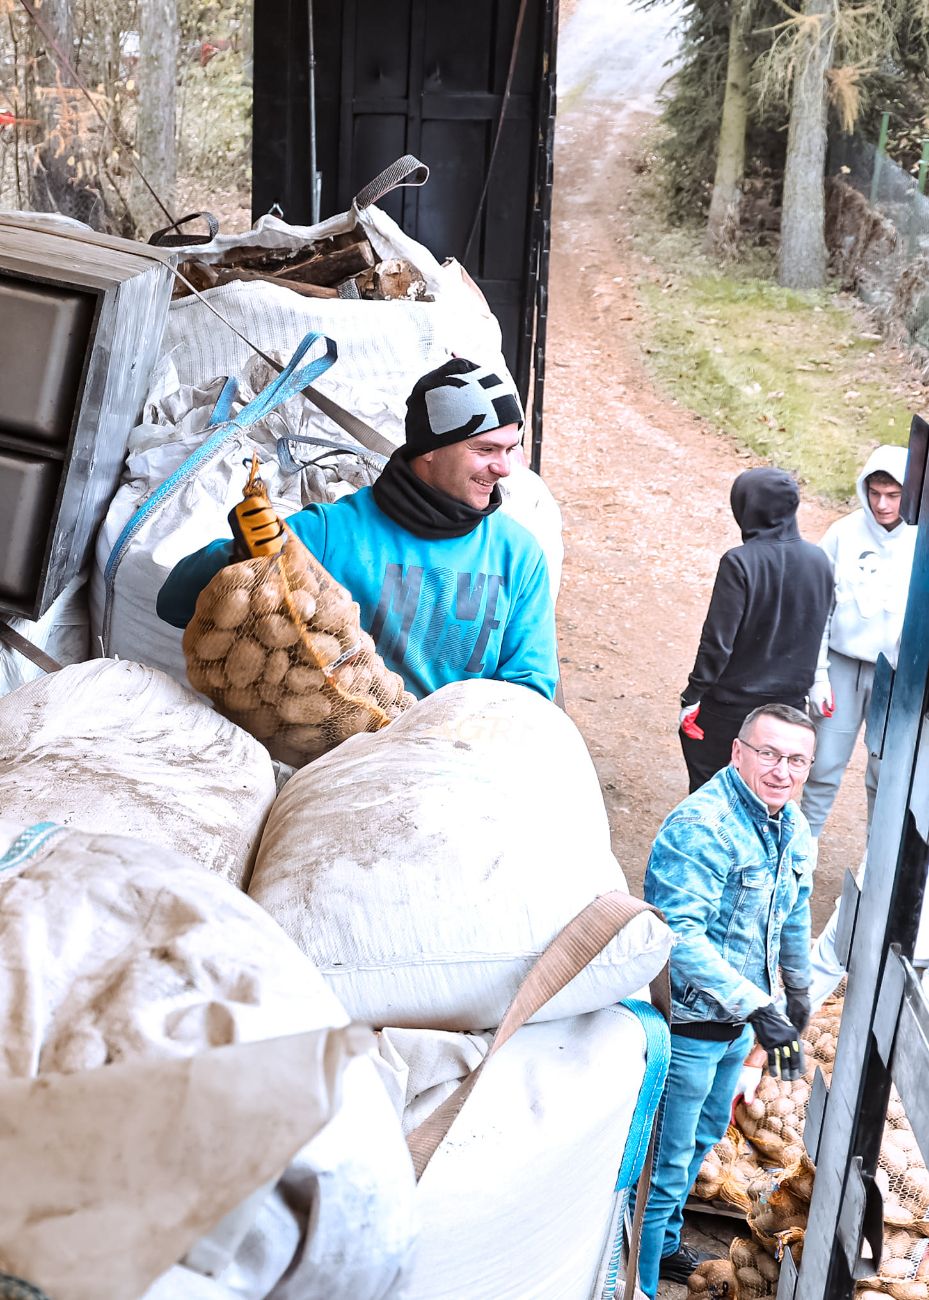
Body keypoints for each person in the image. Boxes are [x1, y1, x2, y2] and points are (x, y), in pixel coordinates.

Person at [157, 356, 559, 701]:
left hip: (453, 765)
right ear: (430, 450)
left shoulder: (518, 555)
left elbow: (528, 689)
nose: (503, 468)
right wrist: (241, 556)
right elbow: (173, 603)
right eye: (485, 449)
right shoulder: (331, 533)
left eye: (509, 449)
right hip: (335, 757)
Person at [640, 703, 816, 1295]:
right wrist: (760, 1007)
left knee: (700, 1142)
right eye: (768, 753)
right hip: (690, 1026)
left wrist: (796, 996)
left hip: (738, 1027)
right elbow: (677, 935)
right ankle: (634, 1277)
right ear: (738, 752)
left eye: (796, 759)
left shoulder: (791, 826)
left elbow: (792, 918)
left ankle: (662, 1248)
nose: (781, 770)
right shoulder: (702, 827)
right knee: (664, 1163)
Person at [678, 467, 833, 792]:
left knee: (713, 793)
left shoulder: (740, 562)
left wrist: (692, 696)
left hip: (731, 710)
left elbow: (718, 642)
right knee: (769, 797)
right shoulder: (819, 562)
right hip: (790, 709)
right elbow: (818, 629)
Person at [801, 445, 915, 842]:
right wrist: (817, 675)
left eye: (893, 494)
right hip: (842, 669)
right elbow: (818, 610)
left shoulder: (922, 539)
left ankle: (876, 873)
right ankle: (801, 857)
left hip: (896, 678)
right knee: (823, 768)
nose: (882, 504)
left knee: (886, 777)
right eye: (875, 493)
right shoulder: (843, 533)